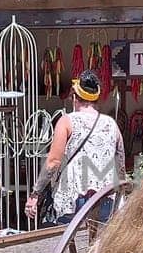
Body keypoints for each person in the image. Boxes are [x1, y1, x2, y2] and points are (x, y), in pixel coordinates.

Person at [27, 70, 125, 225]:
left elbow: (53, 162)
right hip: (107, 197)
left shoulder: (66, 121)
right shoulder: (111, 124)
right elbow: (120, 164)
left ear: (74, 97)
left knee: (71, 243)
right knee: (99, 244)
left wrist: (36, 193)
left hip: (75, 198)